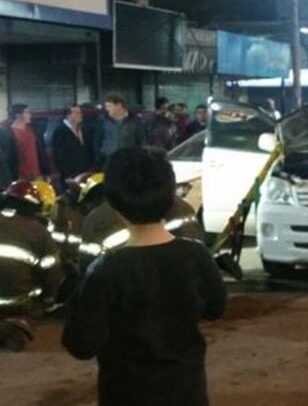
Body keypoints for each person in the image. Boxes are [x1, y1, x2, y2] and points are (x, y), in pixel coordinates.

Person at [62, 147, 227, 406]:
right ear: (171, 196)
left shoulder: (106, 271)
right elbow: (216, 308)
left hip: (127, 394)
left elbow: (81, 344)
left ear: (114, 204)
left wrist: (74, 296)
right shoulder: (197, 256)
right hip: (187, 393)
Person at [0, 180, 63, 351]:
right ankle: (17, 327)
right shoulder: (39, 231)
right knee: (38, 305)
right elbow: (52, 275)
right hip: (17, 305)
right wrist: (48, 300)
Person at [0, 104, 50, 184]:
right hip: (21, 177)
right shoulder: (8, 133)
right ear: (18, 115)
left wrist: (46, 172)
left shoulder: (34, 130)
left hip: (38, 175)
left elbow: (41, 152)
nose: (30, 115)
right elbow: (8, 158)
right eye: (27, 112)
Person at [95, 95, 146, 166]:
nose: (107, 109)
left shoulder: (135, 121)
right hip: (107, 161)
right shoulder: (103, 120)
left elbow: (141, 142)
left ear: (119, 105)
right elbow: (97, 141)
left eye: (109, 106)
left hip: (128, 161)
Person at [52, 105, 93, 185]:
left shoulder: (84, 129)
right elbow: (59, 156)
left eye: (80, 112)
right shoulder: (60, 131)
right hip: (70, 177)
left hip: (85, 174)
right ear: (68, 115)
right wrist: (67, 175)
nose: (81, 115)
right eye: (77, 113)